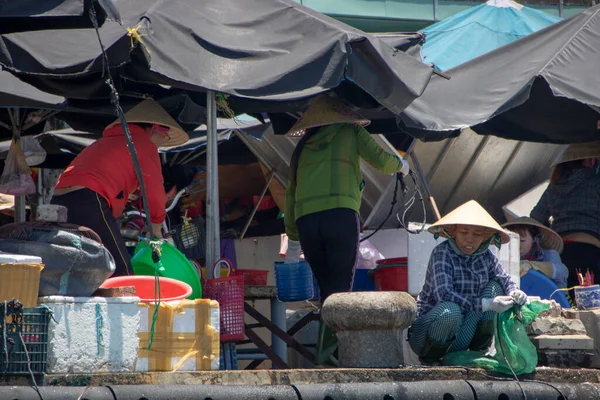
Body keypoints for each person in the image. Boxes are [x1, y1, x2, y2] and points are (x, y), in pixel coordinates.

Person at [283, 94, 410, 366]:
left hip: (307, 224)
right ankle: (329, 359)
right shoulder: (351, 131)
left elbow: (291, 194)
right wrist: (403, 166)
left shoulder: (302, 147)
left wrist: (293, 241)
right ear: (342, 115)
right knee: (340, 293)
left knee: (328, 293)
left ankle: (327, 356)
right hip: (340, 218)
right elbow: (383, 161)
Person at [51, 99, 189, 277]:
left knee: (82, 268)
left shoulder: (110, 141)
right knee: (120, 269)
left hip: (60, 199)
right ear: (153, 128)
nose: (165, 138)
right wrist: (155, 228)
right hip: (88, 198)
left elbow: (110, 177)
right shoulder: (144, 144)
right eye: (165, 132)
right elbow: (154, 190)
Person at [408, 200, 527, 365]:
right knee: (451, 311)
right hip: (429, 334)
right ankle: (431, 359)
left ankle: (478, 350)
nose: (469, 239)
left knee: (495, 288)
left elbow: (503, 278)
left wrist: (515, 291)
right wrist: (486, 304)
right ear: (453, 232)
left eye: (477, 234)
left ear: (485, 236)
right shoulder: (442, 253)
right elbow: (444, 294)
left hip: (464, 333)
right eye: (464, 232)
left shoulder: (487, 256)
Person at [530, 142, 600, 288]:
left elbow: (535, 219)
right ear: (587, 160)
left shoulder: (553, 186)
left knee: (569, 303)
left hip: (560, 252)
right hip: (589, 252)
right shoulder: (595, 181)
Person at [502, 217, 568, 288]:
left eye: (522, 241)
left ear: (535, 239)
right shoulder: (506, 259)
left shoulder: (548, 255)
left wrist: (532, 265)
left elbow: (562, 272)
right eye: (513, 241)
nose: (517, 246)